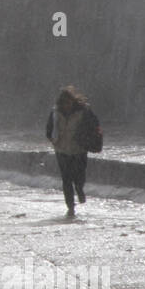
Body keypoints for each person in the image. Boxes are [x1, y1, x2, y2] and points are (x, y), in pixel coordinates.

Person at [45, 85, 99, 218]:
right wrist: (53, 139)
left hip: (79, 149)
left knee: (79, 176)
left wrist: (88, 140)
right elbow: (49, 129)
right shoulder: (55, 112)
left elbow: (94, 125)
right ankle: (70, 207)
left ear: (73, 101)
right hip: (62, 150)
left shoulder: (84, 111)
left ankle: (80, 190)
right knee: (66, 179)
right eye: (64, 103)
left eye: (68, 103)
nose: (66, 106)